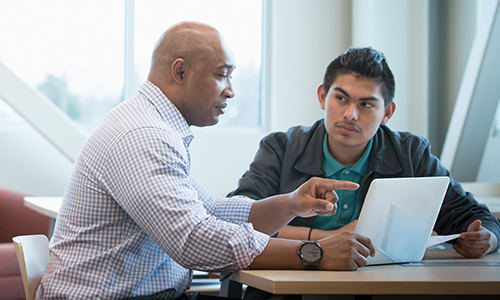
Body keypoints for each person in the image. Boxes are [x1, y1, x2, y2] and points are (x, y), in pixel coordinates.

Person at [36, 22, 376, 300]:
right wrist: (314, 252)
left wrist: (290, 204)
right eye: (221, 74)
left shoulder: (155, 126)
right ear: (180, 72)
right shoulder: (142, 135)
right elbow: (193, 240)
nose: (230, 90)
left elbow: (212, 211)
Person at [229, 46, 500, 258]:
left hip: (381, 286)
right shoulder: (280, 148)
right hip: (291, 288)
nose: (350, 115)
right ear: (323, 96)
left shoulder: (411, 153)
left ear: (388, 112)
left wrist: (487, 239)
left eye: (367, 104)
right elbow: (235, 222)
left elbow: (474, 216)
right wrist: (330, 238)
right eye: (341, 98)